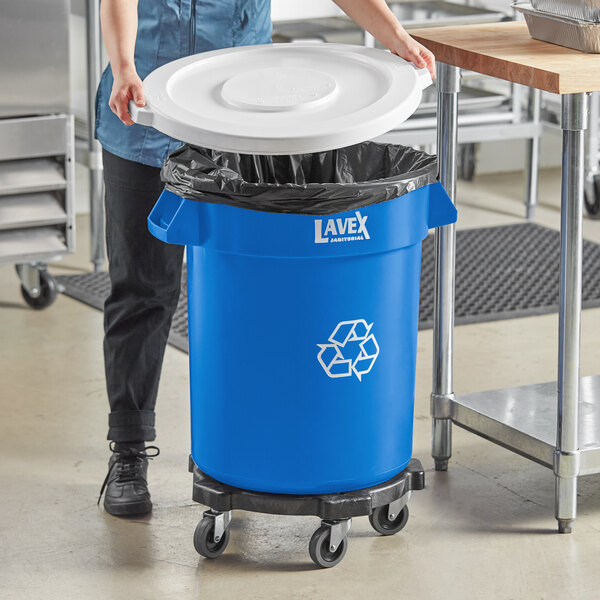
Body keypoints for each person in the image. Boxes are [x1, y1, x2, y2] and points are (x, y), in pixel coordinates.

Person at [96, 0, 435, 517]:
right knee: (142, 288)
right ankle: (128, 452)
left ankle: (256, 444)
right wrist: (123, 67)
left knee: (261, 291)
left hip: (245, 123)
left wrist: (394, 36)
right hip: (140, 109)